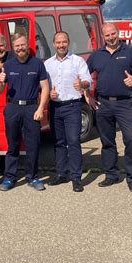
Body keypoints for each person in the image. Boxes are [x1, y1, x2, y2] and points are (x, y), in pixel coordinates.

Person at [85, 23, 132, 193]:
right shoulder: (97, 55)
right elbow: (83, 75)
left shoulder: (130, 51)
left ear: (118, 33)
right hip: (103, 104)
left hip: (125, 104)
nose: (111, 37)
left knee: (131, 139)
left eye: (113, 34)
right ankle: (111, 175)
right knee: (107, 142)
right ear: (103, 36)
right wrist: (88, 96)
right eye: (107, 35)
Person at [0, 33, 49, 191]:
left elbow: (45, 88)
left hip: (32, 108)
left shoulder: (37, 64)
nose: (20, 48)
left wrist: (40, 108)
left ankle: (32, 177)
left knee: (33, 144)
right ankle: (9, 177)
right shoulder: (8, 65)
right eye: (17, 46)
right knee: (12, 144)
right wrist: (0, 81)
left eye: (22, 45)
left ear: (27, 45)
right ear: (13, 47)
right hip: (13, 108)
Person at [44, 31, 92, 192]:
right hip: (55, 107)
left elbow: (88, 80)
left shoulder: (77, 61)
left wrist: (83, 85)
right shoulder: (48, 64)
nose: (61, 45)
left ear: (68, 43)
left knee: (73, 141)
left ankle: (76, 177)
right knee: (58, 142)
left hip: (72, 106)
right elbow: (43, 86)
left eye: (64, 42)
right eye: (58, 42)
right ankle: (61, 174)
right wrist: (49, 93)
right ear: (53, 44)